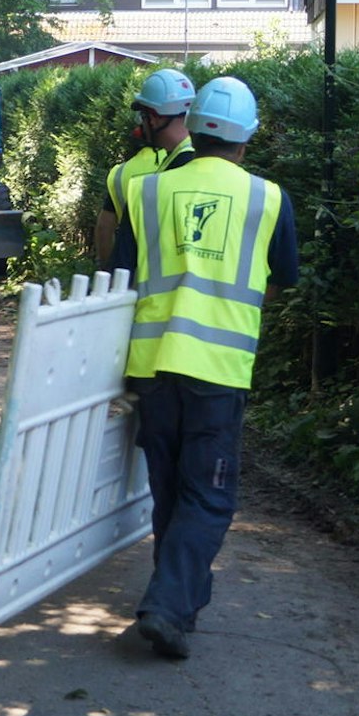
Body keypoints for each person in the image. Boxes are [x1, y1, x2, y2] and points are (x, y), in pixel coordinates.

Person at [107, 76, 298, 660]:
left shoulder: (147, 192)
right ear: (247, 139)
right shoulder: (268, 199)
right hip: (217, 369)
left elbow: (120, 273)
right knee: (208, 497)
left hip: (153, 365)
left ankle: (180, 605)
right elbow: (285, 274)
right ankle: (166, 605)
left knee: (170, 489)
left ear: (194, 126)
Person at [93, 67, 196, 264]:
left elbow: (106, 229)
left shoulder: (152, 186)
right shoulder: (203, 163)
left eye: (143, 117)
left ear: (154, 118)